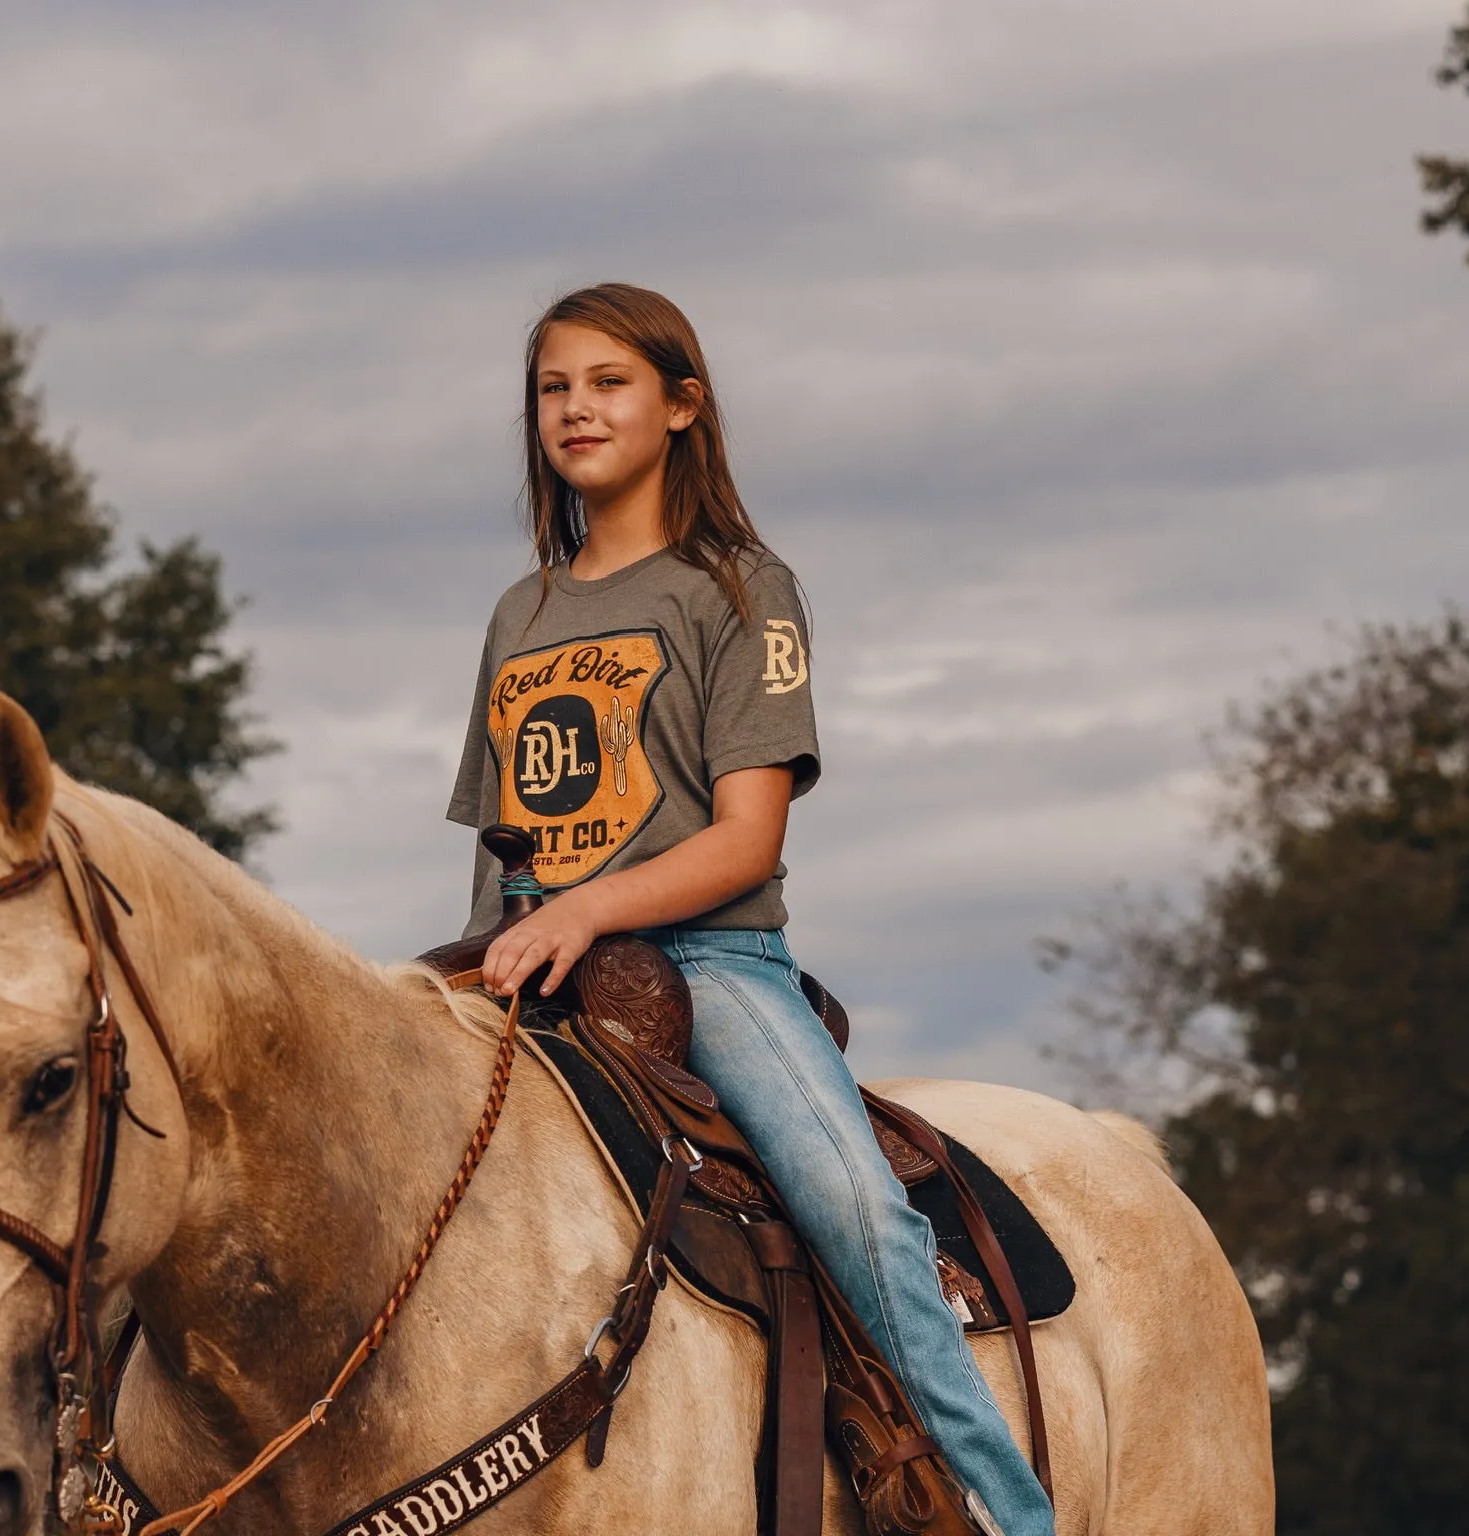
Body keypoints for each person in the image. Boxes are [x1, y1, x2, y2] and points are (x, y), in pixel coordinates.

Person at [446, 283, 1051, 1536]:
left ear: (681, 406)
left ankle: (1000, 1511)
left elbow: (746, 839)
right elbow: (506, 849)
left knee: (860, 1211)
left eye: (609, 383)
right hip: (526, 967)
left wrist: (582, 913)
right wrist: (477, 965)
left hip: (707, 962)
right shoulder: (523, 612)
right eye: (554, 387)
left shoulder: (739, 589)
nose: (576, 409)